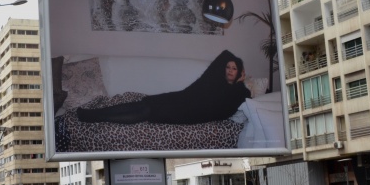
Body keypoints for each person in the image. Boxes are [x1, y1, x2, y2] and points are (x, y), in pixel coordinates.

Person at [76, 50, 251, 125]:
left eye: (234, 68)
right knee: (143, 104)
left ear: (239, 73)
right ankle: (93, 114)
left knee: (146, 112)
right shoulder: (214, 80)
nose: (229, 70)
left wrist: (239, 83)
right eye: (227, 67)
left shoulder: (241, 92)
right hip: (182, 99)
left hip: (192, 114)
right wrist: (233, 63)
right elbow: (222, 57)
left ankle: (93, 116)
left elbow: (225, 111)